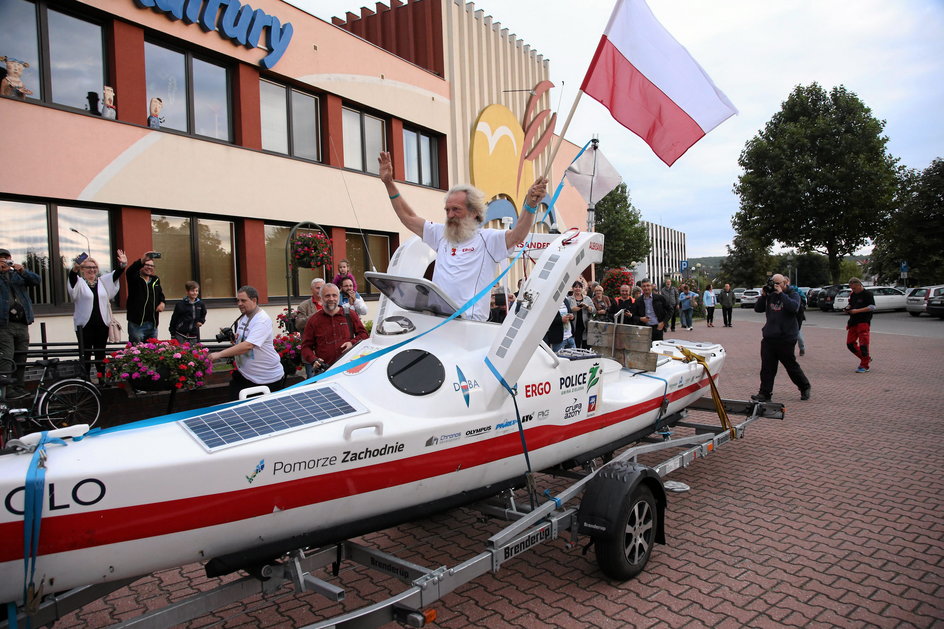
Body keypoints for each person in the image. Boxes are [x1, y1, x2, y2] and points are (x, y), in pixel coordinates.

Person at [379, 151, 547, 321]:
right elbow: (408, 218)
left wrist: (531, 205)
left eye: (456, 209)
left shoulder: (488, 239)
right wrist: (389, 183)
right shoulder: (440, 234)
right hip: (437, 322)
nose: (450, 215)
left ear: (474, 212)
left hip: (469, 327)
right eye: (447, 210)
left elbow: (518, 234)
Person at [209, 286, 285, 400]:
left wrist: (219, 354)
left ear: (254, 300)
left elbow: (248, 345)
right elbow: (245, 339)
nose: (239, 303)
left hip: (266, 379)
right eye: (238, 300)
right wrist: (236, 338)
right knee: (234, 408)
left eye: (243, 300)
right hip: (245, 375)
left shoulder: (262, 320)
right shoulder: (244, 316)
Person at [752, 274, 811, 402]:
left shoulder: (793, 294)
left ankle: (804, 386)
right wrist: (763, 296)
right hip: (769, 337)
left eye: (778, 284)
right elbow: (758, 309)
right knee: (767, 367)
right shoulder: (770, 294)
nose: (776, 286)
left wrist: (781, 294)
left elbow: (793, 307)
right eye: (774, 284)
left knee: (791, 366)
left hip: (786, 338)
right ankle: (765, 393)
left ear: (785, 283)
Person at [68, 250, 127, 376]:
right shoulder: (79, 283)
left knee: (100, 353)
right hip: (84, 325)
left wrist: (122, 265)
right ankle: (86, 380)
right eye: (88, 267)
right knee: (86, 354)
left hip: (102, 325)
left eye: (94, 267)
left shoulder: (102, 282)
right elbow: (72, 278)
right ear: (82, 269)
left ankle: (101, 379)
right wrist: (75, 268)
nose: (92, 270)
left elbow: (115, 275)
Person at [300, 283, 368, 373]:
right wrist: (313, 360)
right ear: (321, 298)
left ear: (338, 297)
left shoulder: (350, 314)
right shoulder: (313, 320)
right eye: (327, 296)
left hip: (348, 369)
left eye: (334, 295)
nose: (331, 299)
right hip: (325, 371)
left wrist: (352, 343)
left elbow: (364, 335)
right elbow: (306, 347)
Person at [0, 248, 41, 398]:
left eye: (6, 258)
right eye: (1, 258)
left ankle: (19, 386)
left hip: (22, 323)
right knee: (7, 356)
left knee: (21, 356)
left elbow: (36, 280)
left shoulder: (17, 275)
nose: (4, 261)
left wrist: (22, 270)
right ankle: (6, 389)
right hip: (4, 324)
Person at [126, 252, 165, 343]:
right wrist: (142, 259)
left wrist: (162, 303)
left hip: (153, 325)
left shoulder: (155, 280)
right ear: (141, 265)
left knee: (151, 354)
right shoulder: (134, 278)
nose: (149, 267)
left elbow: (161, 296)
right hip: (137, 325)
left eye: (152, 266)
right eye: (146, 265)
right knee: (137, 354)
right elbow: (130, 271)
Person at [844, 277, 875, 373]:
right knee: (850, 344)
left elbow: (872, 307)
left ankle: (865, 365)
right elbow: (851, 304)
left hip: (863, 322)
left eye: (854, 288)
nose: (853, 290)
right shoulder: (853, 294)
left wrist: (857, 311)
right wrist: (847, 308)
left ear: (859, 285)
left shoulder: (867, 294)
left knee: (863, 344)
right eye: (851, 288)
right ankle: (866, 358)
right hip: (853, 322)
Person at [564, 281, 594, 349]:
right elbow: (569, 310)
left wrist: (587, 307)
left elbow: (594, 310)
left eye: (580, 287)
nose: (578, 289)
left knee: (586, 346)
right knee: (576, 345)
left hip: (585, 325)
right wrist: (580, 306)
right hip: (574, 325)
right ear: (572, 288)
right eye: (576, 287)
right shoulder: (568, 299)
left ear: (582, 288)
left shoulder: (587, 298)